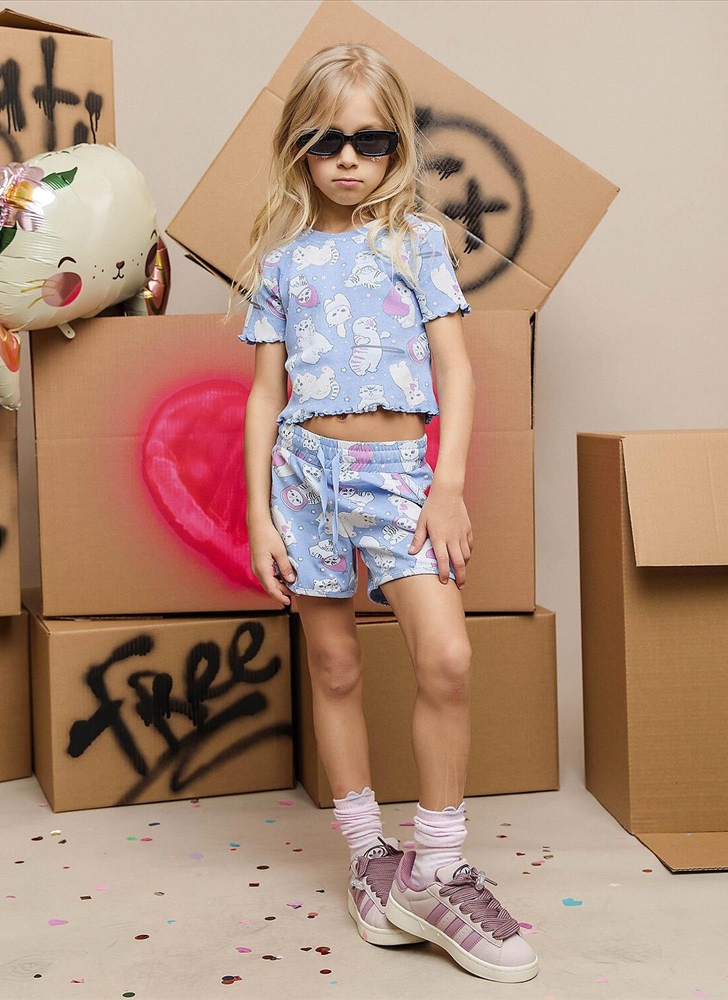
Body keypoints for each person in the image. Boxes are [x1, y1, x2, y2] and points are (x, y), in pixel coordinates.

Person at [230, 43, 538, 984]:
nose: (349, 160)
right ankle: (370, 856)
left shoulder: (417, 244)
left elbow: (456, 371)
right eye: (327, 141)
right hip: (304, 478)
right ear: (298, 147)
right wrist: (260, 515)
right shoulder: (282, 264)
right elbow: (263, 394)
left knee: (446, 657)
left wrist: (445, 486)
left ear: (397, 147)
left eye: (371, 141)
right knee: (332, 664)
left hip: (399, 476)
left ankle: (435, 868)